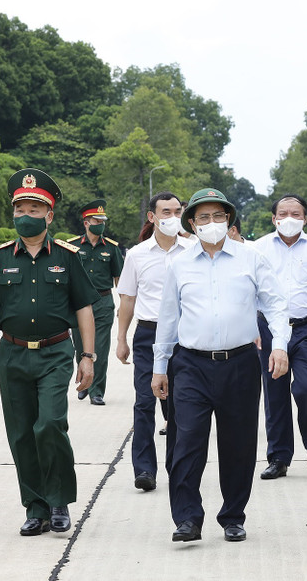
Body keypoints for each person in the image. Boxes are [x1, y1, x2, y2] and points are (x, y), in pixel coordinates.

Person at [152, 187, 289, 544]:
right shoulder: (179, 264)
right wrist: (159, 366)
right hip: (191, 366)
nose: (211, 222)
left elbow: (276, 305)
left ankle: (233, 516)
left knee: (238, 444)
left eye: (218, 216)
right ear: (192, 223)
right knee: (186, 442)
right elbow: (168, 317)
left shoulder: (251, 258)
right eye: (203, 217)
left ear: (228, 220)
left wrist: (279, 346)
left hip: (240, 363)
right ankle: (187, 518)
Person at [0, 168, 99, 536]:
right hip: (12, 355)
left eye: (34, 209)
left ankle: (59, 500)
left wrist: (87, 357)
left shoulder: (67, 257)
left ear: (49, 215)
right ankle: (36, 507)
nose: (25, 216)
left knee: (51, 424)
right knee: (22, 433)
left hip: (55, 352)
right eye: (20, 210)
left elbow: (84, 309)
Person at [115, 192, 193, 492]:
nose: (172, 217)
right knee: (145, 402)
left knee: (179, 405)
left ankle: (178, 465)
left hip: (184, 337)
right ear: (152, 217)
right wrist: (121, 339)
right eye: (166, 212)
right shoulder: (137, 255)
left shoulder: (193, 250)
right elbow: (127, 299)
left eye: (177, 212)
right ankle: (145, 468)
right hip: (148, 334)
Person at [253, 194, 307, 480]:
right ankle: (279, 458)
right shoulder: (258, 249)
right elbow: (250, 291)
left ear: (305, 219)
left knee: (306, 389)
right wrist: (251, 329)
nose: (289, 219)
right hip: (269, 330)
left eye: (296, 214)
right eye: (283, 214)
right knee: (275, 394)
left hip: (305, 329)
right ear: (274, 219)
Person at [73, 199, 123, 405]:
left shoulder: (111, 248)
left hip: (103, 302)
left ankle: (96, 391)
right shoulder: (73, 246)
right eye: (96, 221)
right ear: (86, 223)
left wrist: (123, 304)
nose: (100, 224)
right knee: (80, 347)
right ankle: (84, 382)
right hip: (78, 303)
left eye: (102, 221)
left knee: (100, 349)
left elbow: (119, 278)